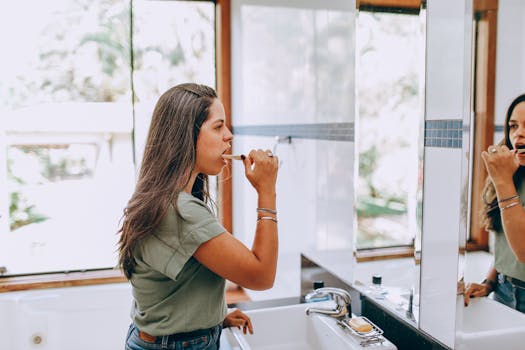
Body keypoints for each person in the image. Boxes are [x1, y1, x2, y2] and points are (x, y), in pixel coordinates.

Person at [118, 83, 279, 349]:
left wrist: (216, 318)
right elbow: (261, 277)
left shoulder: (162, 199)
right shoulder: (181, 211)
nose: (229, 136)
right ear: (185, 136)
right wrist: (267, 191)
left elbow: (172, 292)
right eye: (218, 127)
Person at [464, 93, 525, 313]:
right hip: (503, 290)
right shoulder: (513, 174)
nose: (519, 134)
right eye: (513, 126)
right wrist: (489, 283)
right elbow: (506, 242)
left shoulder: (505, 178)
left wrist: (502, 181)